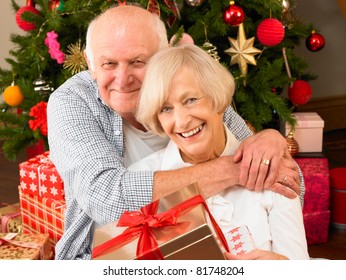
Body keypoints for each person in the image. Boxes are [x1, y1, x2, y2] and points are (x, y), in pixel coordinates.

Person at [47, 4, 304, 260]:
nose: (122, 78)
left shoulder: (190, 85)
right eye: (108, 64)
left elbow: (287, 183)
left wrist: (270, 140)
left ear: (165, 56)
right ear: (91, 65)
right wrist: (238, 169)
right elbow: (107, 202)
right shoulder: (72, 102)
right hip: (105, 253)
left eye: (138, 62)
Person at [130, 43, 309, 260]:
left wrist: (280, 266)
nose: (182, 121)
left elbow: (300, 266)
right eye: (166, 109)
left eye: (191, 100)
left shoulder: (269, 164)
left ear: (218, 100)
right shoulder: (139, 180)